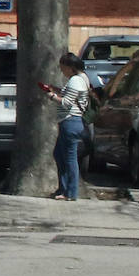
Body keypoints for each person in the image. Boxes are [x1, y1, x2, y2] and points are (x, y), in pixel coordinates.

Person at [45, 52, 90, 200]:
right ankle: (63, 189)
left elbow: (66, 102)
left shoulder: (75, 81)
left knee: (70, 158)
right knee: (59, 154)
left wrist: (51, 96)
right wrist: (56, 89)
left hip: (71, 121)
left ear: (70, 67)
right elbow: (69, 95)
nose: (61, 70)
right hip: (70, 122)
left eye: (63, 67)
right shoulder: (80, 79)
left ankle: (70, 192)